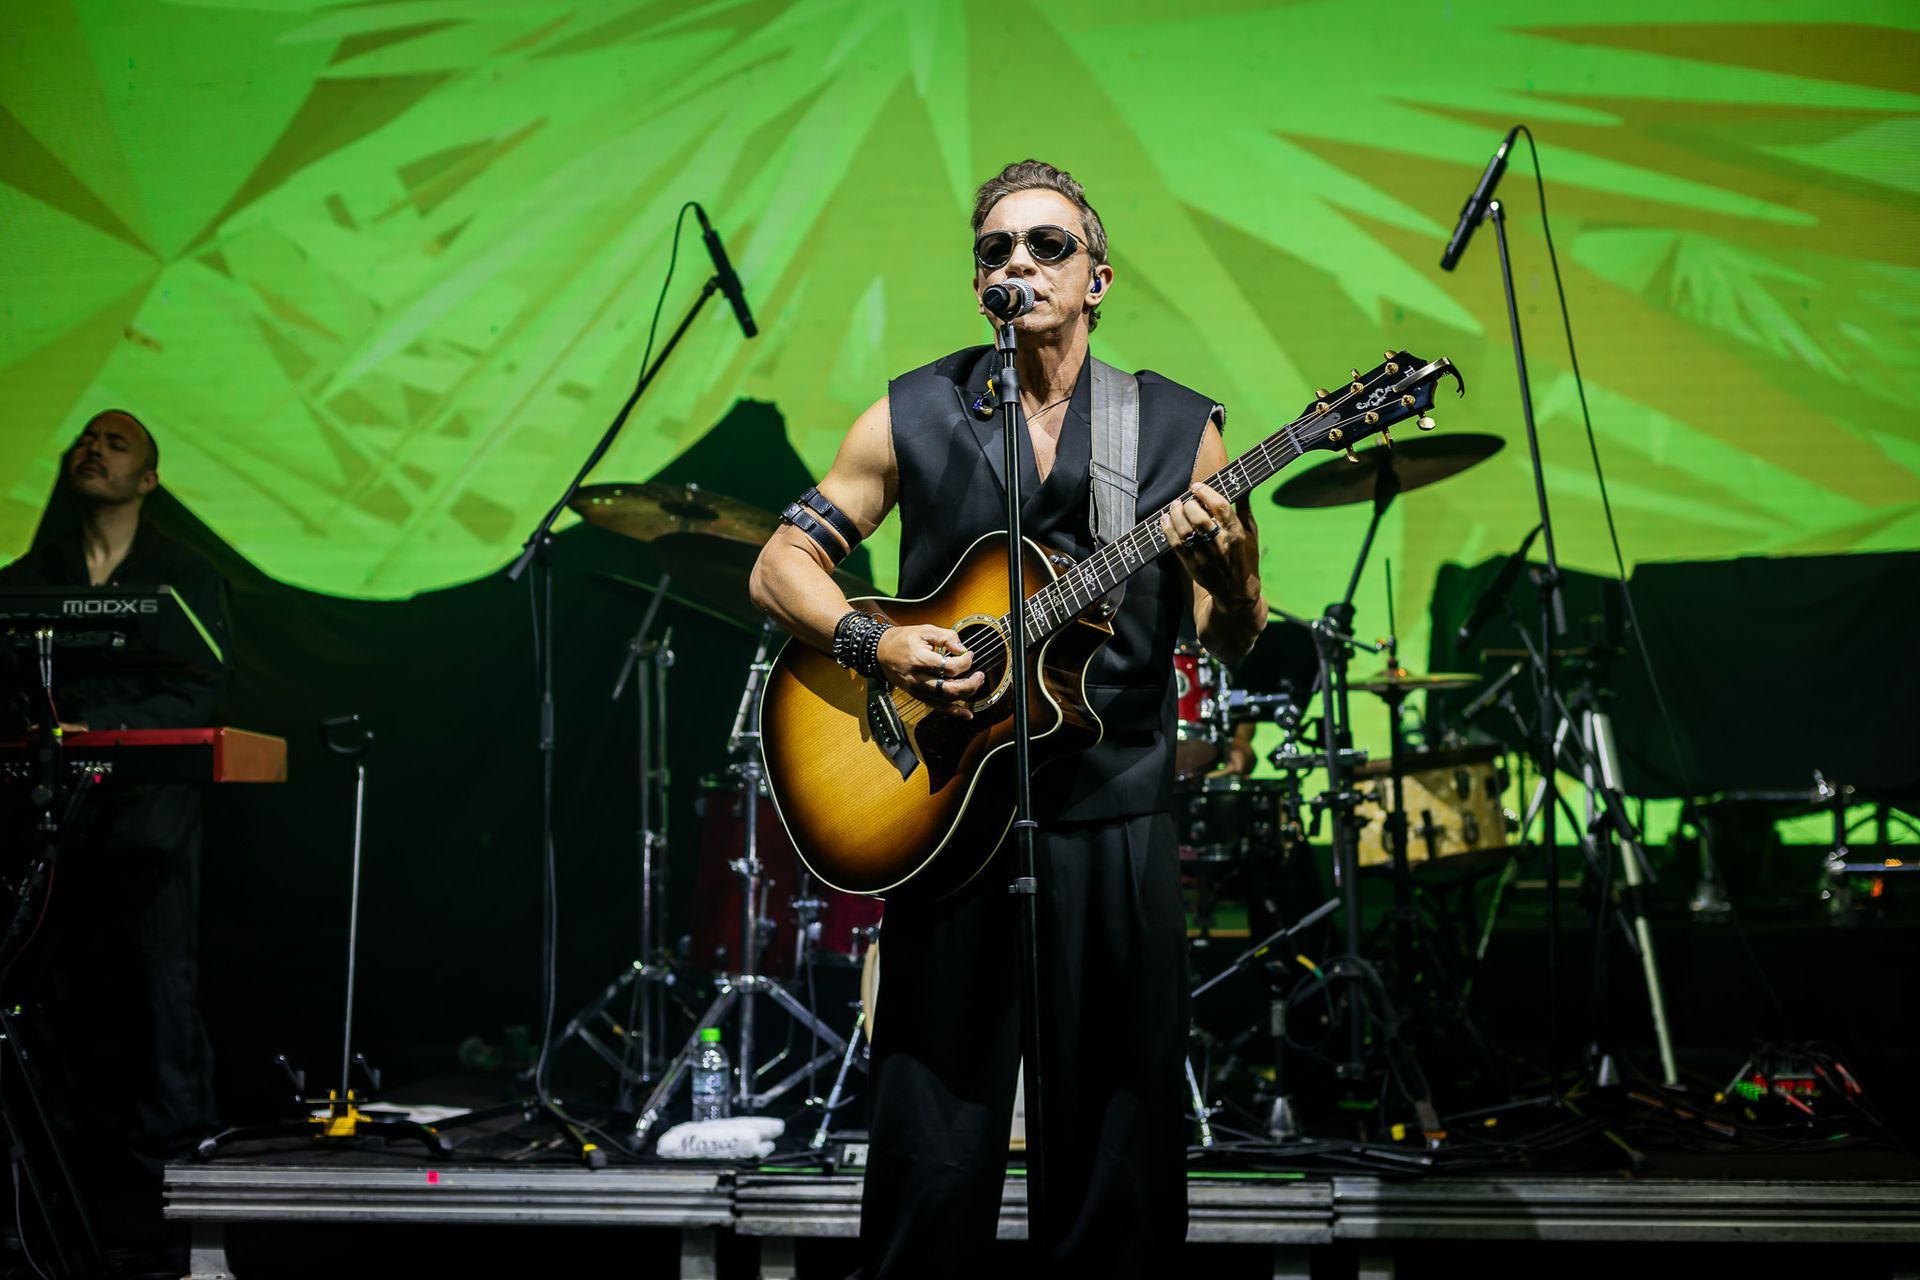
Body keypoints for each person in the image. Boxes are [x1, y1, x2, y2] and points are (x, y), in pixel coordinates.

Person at [749, 160, 1266, 1278]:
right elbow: (781, 561)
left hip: (1115, 817)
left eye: (1046, 247)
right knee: (930, 1149)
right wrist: (876, 642)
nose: (1018, 265)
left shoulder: (1175, 426)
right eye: (996, 250)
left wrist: (1244, 573)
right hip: (943, 817)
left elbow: (1229, 637)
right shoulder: (913, 408)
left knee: (1118, 1153)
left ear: (1098, 279)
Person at [0, 409, 228, 1240]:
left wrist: (92, 717)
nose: (92, 449)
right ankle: (43, 1209)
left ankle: (187, 1219)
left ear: (149, 479)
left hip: (148, 832)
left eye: (116, 442)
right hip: (45, 836)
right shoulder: (25, 580)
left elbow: (199, 695)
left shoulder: (187, 576)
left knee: (159, 1005)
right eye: (85, 440)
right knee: (41, 1010)